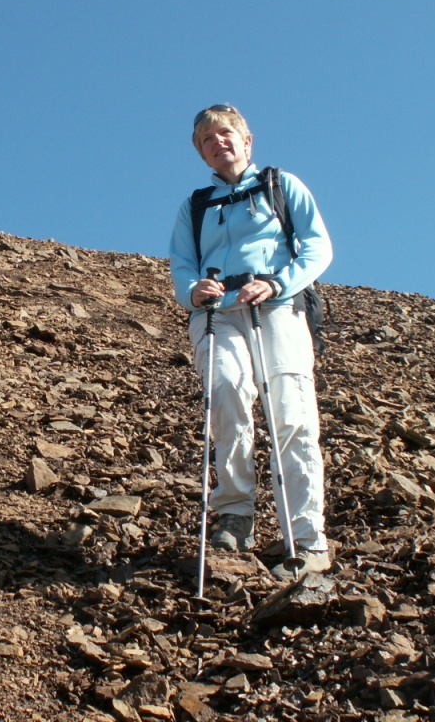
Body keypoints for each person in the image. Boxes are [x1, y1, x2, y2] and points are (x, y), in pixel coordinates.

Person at [168, 103, 333, 580]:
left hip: (277, 307)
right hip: (217, 314)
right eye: (206, 140)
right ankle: (234, 515)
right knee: (225, 395)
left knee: (291, 412)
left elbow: (318, 245)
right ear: (201, 154)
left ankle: (306, 536)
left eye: (225, 134)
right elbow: (182, 262)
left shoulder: (282, 186)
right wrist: (192, 290)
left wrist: (280, 282)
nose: (218, 143)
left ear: (246, 140)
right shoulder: (194, 206)